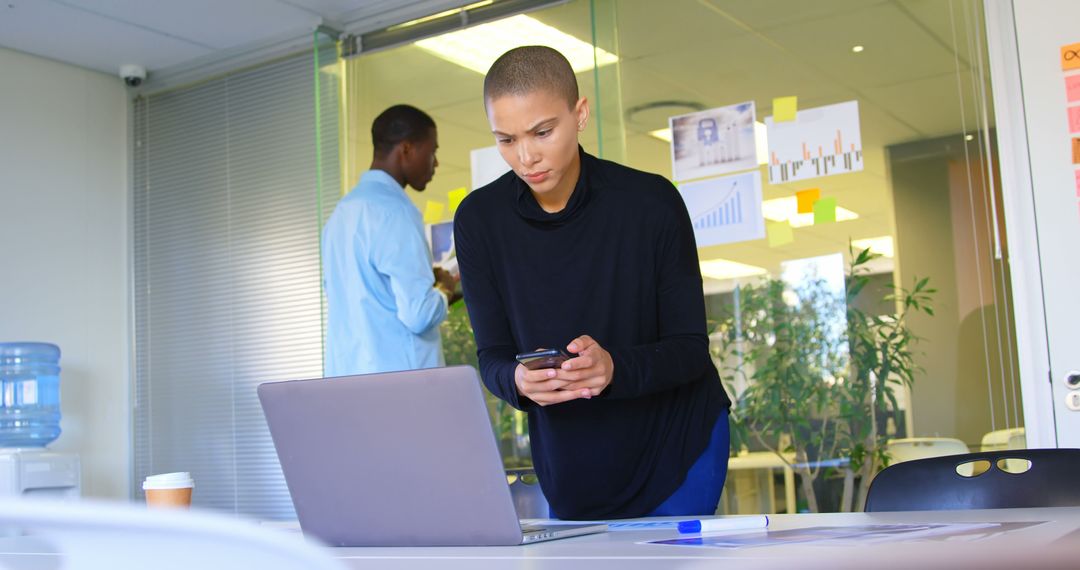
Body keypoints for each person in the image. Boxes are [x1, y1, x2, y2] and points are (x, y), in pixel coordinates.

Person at [454, 46, 732, 520]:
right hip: (572, 458)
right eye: (506, 139)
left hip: (676, 441)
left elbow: (689, 347)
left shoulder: (651, 203)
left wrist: (613, 368)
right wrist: (518, 381)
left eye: (543, 132)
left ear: (579, 114)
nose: (526, 157)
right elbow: (491, 357)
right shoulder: (479, 221)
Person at [322, 104, 458, 377]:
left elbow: (371, 297)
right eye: (432, 152)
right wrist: (445, 288)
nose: (436, 163)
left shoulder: (340, 215)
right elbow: (419, 315)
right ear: (407, 149)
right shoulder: (397, 212)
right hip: (399, 387)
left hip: (348, 382)